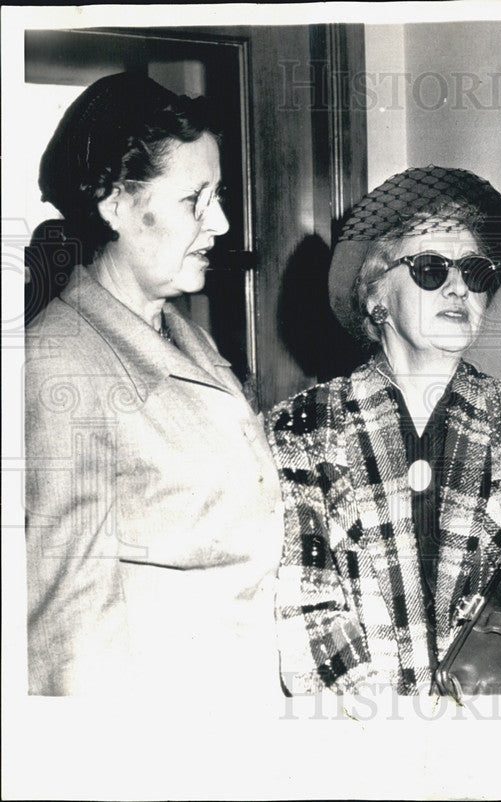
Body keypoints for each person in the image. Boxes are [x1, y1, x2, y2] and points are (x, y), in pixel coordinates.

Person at [269, 166, 501, 696]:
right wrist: (386, 737)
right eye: (429, 268)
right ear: (376, 296)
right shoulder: (303, 426)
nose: (458, 286)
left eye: (475, 271)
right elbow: (308, 598)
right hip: (361, 743)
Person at [25, 72, 283, 697]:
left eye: (217, 196)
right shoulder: (61, 362)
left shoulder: (185, 334)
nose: (219, 222)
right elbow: (64, 624)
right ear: (113, 203)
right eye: (194, 199)